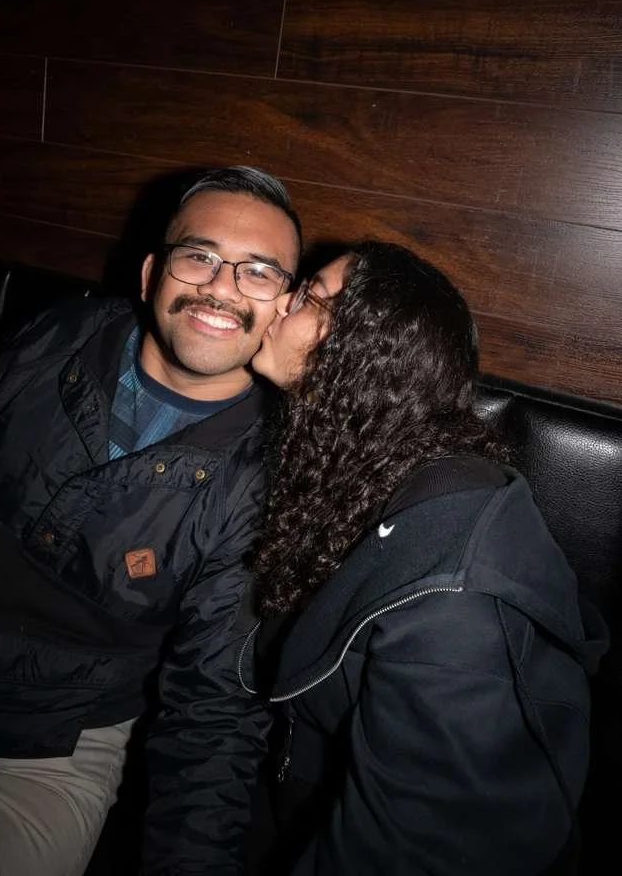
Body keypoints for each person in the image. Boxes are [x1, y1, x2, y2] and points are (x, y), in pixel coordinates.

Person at [0, 166, 301, 876]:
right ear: (149, 275)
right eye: (198, 256)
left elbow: (214, 713)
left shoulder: (266, 483)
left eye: (258, 272)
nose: (222, 286)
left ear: (285, 308)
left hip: (44, 750)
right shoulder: (57, 337)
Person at [242, 240, 608, 876]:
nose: (278, 301)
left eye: (308, 296)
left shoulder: (454, 605)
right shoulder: (346, 467)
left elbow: (412, 854)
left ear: (364, 351)